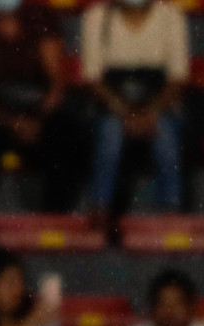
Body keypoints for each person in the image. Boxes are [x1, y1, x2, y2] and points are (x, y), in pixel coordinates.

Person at [80, 0, 190, 216]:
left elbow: (178, 77)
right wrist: (126, 113)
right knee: (110, 134)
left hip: (158, 102)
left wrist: (149, 112)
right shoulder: (97, 17)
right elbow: (92, 77)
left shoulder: (171, 16)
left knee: (165, 136)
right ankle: (99, 209)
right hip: (113, 103)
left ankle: (171, 211)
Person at [0, 0, 85, 211]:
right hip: (1, 110)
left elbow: (57, 82)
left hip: (39, 106)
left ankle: (56, 218)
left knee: (68, 135)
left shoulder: (39, 14)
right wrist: (11, 122)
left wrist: (36, 119)